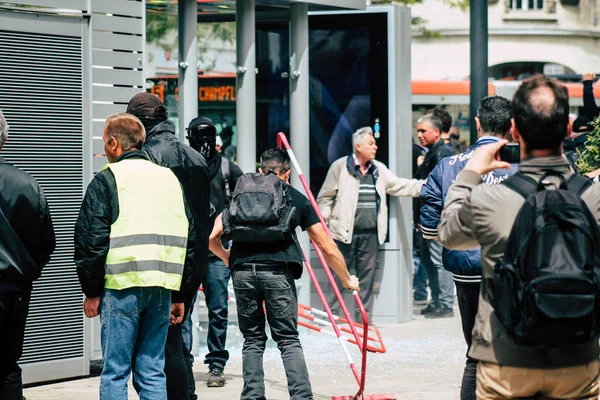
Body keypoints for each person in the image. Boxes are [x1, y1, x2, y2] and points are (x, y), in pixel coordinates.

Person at [439, 75, 600, 399]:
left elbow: (448, 234)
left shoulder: (488, 199)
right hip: (577, 357)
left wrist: (471, 172)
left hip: (505, 360)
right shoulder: (594, 198)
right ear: (569, 130)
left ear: (514, 130)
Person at [209, 148, 359, 400]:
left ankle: (253, 396)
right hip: (278, 273)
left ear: (261, 169)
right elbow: (327, 246)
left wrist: (228, 259)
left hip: (243, 273)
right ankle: (301, 397)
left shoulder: (240, 195)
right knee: (288, 339)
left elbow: (212, 237)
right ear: (286, 174)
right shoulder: (295, 197)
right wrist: (346, 279)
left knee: (253, 339)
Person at [75, 113, 192, 400]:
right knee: (152, 370)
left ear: (114, 143)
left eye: (105, 143)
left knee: (115, 371)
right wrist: (180, 293)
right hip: (162, 289)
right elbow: (189, 237)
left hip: (121, 287)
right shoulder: (169, 179)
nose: (104, 150)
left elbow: (91, 240)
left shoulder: (107, 179)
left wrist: (91, 291)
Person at [420, 96, 515, 399]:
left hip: (467, 272)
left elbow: (429, 226)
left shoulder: (448, 166)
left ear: (476, 124)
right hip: (511, 275)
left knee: (475, 356)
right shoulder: (522, 166)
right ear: (511, 127)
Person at [126, 93, 218, 399]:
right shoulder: (196, 157)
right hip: (192, 262)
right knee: (174, 339)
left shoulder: (148, 157)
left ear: (140, 123)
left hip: (158, 261)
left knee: (155, 346)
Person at [318, 127, 423, 320]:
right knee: (337, 275)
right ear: (358, 146)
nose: (375, 146)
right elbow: (325, 197)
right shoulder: (340, 167)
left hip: (370, 235)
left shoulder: (378, 168)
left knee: (366, 279)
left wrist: (425, 186)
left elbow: (399, 185)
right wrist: (323, 220)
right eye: (371, 143)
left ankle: (362, 320)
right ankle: (331, 317)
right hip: (343, 234)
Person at [183, 117, 243, 389]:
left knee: (218, 309)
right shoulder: (182, 165)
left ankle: (216, 363)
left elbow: (243, 204)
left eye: (208, 138)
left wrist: (225, 225)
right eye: (199, 138)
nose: (204, 144)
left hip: (217, 250)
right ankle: (184, 360)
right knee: (182, 309)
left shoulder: (230, 169)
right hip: (189, 250)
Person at [0, 109, 55, 399]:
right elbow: (47, 241)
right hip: (15, 290)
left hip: (15, 286)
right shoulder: (28, 184)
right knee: (8, 364)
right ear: (5, 139)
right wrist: (27, 272)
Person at [415, 114, 455, 317]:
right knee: (428, 261)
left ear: (437, 132)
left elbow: (440, 189)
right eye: (418, 131)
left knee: (439, 261)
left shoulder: (443, 153)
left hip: (436, 218)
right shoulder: (435, 152)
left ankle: (445, 304)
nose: (419, 135)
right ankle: (438, 300)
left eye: (423, 131)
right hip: (429, 217)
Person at [412, 139, 428, 305]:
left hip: (417, 209)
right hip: (416, 208)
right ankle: (421, 291)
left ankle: (421, 290)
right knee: (420, 254)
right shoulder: (420, 151)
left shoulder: (417, 151)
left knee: (420, 254)